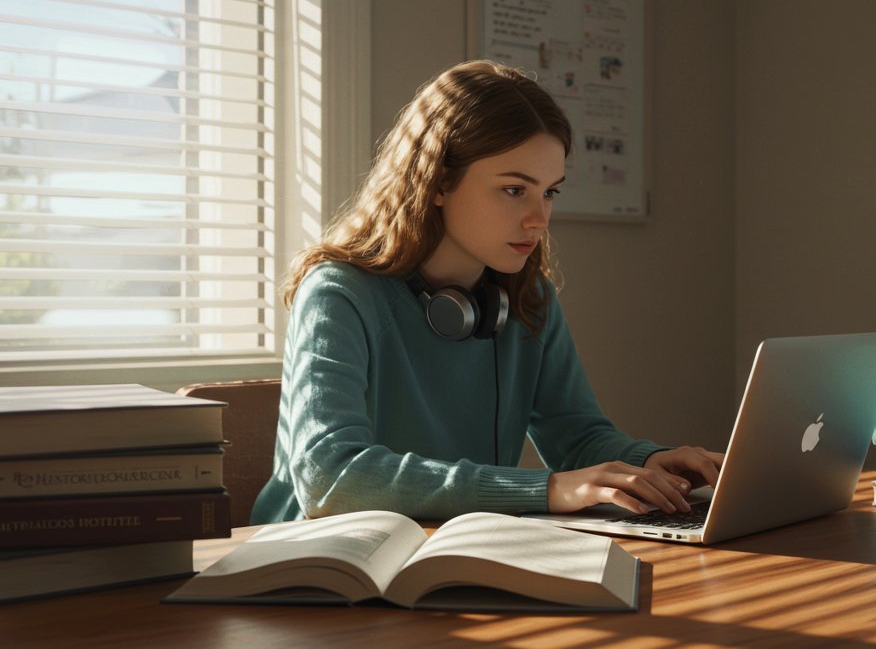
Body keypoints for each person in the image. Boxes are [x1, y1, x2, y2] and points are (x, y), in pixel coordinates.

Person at [251, 60, 724, 524]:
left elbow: (576, 437)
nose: (539, 218)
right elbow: (330, 477)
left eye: (550, 192)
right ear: (437, 181)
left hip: (453, 551)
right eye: (515, 190)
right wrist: (547, 489)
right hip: (321, 568)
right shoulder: (339, 294)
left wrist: (649, 461)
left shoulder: (526, 297)